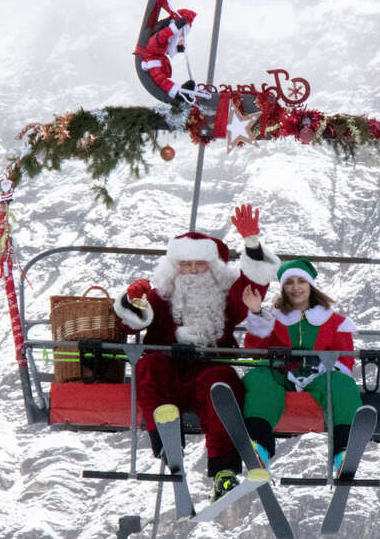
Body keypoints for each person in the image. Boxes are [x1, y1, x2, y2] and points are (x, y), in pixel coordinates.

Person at [113, 205, 280, 500]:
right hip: (168, 371)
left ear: (213, 267)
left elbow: (253, 284)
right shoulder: (160, 296)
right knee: (148, 366)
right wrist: (132, 301)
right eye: (185, 264)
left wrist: (252, 242)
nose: (191, 271)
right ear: (174, 267)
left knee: (221, 382)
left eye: (199, 265)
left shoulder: (226, 298)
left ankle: (223, 469)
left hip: (208, 369)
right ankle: (165, 439)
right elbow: (129, 325)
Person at [241, 257, 363, 474]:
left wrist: (326, 367)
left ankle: (343, 452)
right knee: (258, 378)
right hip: (281, 377)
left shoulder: (334, 322)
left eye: (301, 281)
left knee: (342, 384)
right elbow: (254, 349)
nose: (295, 287)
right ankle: (260, 447)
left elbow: (345, 359)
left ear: (310, 285)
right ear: (283, 288)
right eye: (289, 282)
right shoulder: (273, 320)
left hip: (319, 377)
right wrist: (258, 313)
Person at [134, 5, 200, 104]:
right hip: (151, 58)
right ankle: (176, 92)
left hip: (158, 56)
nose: (181, 39)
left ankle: (180, 91)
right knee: (160, 78)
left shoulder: (170, 39)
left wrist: (178, 48)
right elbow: (162, 36)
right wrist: (174, 28)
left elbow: (169, 47)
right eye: (181, 35)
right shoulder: (164, 34)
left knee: (161, 78)